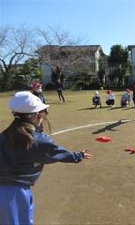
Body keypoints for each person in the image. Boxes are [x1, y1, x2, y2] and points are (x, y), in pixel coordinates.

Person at [0, 91, 92, 225]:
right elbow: (59, 153)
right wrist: (79, 155)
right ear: (37, 115)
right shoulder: (38, 141)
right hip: (15, 193)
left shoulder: (4, 135)